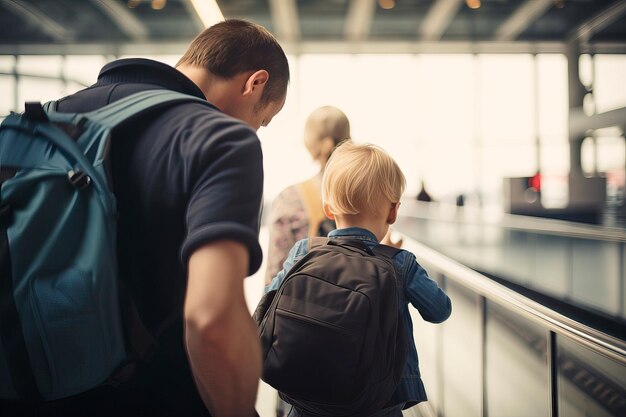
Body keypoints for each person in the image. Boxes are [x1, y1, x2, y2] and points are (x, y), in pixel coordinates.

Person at [1, 19, 289, 417]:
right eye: (263, 119)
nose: (255, 129)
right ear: (255, 83)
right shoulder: (222, 139)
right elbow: (210, 318)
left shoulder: (42, 125)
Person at [266, 141, 452, 417]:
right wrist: (401, 264)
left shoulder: (304, 251)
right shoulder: (399, 264)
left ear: (328, 209)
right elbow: (440, 310)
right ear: (393, 212)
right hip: (378, 402)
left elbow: (269, 298)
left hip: (307, 396)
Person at [264, 106, 351, 286]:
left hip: (306, 308)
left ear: (310, 143)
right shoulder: (367, 191)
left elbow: (275, 272)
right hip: (360, 307)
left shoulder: (290, 198)